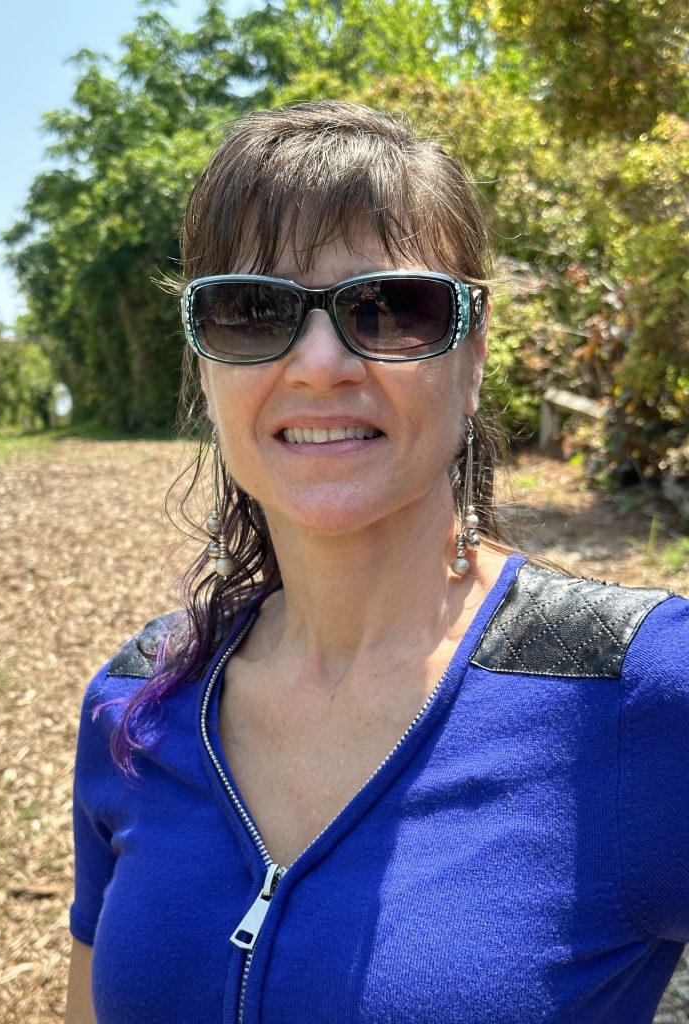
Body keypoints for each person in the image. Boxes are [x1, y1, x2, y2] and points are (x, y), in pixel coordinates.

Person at [64, 101, 689, 1024]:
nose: (320, 363)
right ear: (203, 366)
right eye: (252, 311)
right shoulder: (137, 700)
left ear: (474, 354)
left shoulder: (642, 692)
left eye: (391, 308)